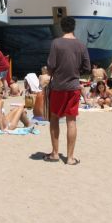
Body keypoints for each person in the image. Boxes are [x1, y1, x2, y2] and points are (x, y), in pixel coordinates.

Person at [44, 16, 90, 165]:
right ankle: (70, 158)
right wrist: (76, 72)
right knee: (71, 121)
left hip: (58, 87)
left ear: (61, 27)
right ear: (74, 27)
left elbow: (51, 65)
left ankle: (55, 154)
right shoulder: (81, 45)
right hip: (74, 87)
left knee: (55, 118)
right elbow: (87, 68)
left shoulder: (56, 43)